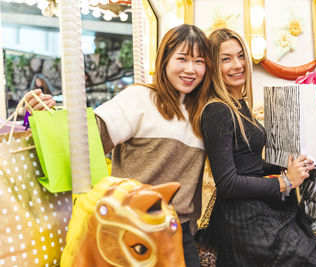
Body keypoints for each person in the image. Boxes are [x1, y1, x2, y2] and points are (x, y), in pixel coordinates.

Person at [25, 24, 212, 267]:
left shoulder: (203, 112)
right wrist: (43, 115)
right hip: (129, 226)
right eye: (182, 58)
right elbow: (87, 139)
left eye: (199, 61)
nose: (190, 69)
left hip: (177, 229)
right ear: (164, 60)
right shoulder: (140, 99)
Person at [199, 28, 316, 266]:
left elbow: (248, 162)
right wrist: (284, 182)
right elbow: (228, 183)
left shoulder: (239, 104)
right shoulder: (217, 110)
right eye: (225, 59)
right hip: (242, 218)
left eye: (240, 56)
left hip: (256, 206)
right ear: (212, 67)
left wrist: (291, 162)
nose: (237, 65)